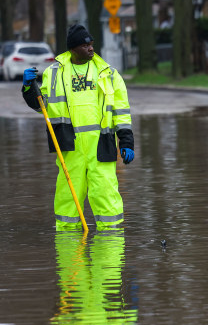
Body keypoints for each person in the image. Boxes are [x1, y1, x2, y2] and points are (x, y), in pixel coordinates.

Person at [22, 24, 134, 231]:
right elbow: (42, 106)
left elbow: (121, 110)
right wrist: (29, 89)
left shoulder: (107, 72)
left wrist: (126, 141)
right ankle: (69, 249)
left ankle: (111, 246)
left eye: (91, 44)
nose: (91, 49)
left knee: (106, 194)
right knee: (67, 198)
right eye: (85, 45)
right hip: (69, 147)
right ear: (73, 49)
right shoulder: (54, 73)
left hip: (101, 146)